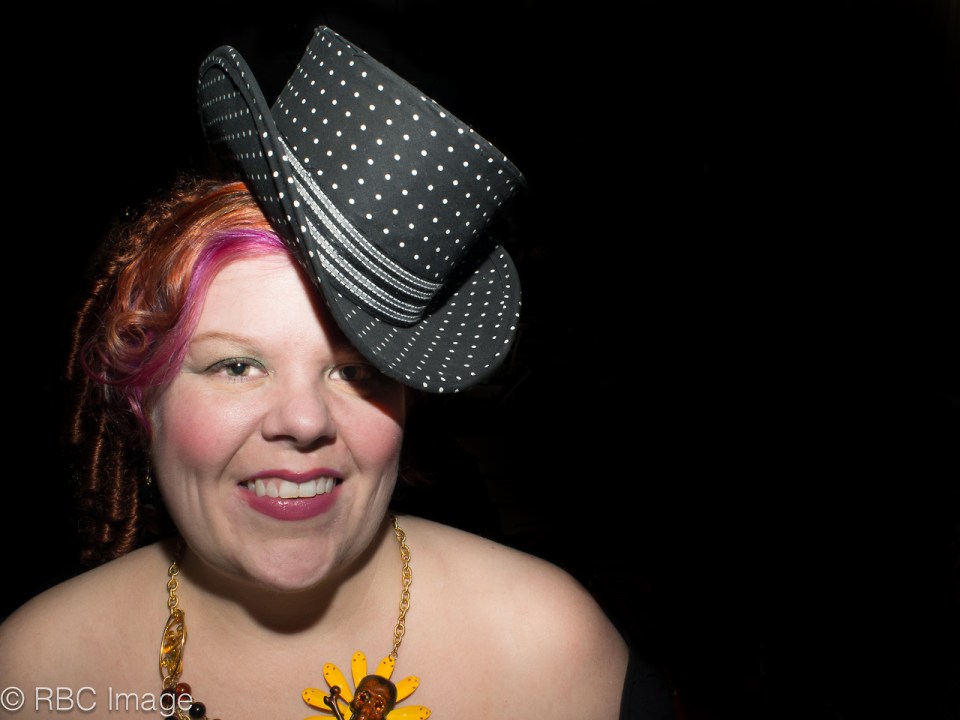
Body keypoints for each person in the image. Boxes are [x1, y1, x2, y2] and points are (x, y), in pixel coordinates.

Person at [0, 25, 674, 719]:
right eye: (237, 365)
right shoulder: (32, 671)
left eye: (354, 373)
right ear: (145, 400)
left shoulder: (553, 649)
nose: (304, 420)